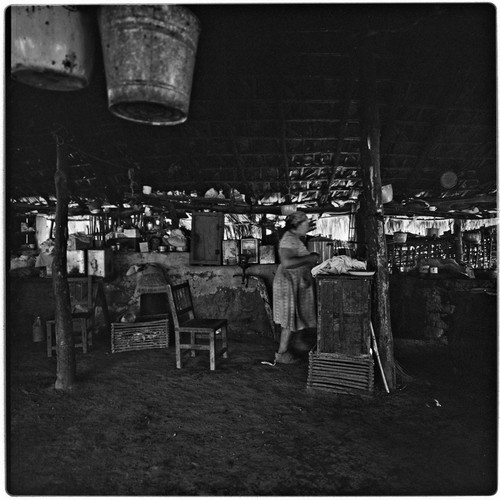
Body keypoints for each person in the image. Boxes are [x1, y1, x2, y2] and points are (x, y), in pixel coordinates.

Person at [273, 211, 320, 364]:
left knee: (294, 316)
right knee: (289, 318)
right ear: (296, 225)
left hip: (294, 282)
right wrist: (311, 257)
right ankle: (281, 354)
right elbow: (287, 262)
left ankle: (295, 344)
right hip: (287, 282)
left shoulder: (294, 238)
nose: (307, 226)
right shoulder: (288, 239)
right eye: (305, 224)